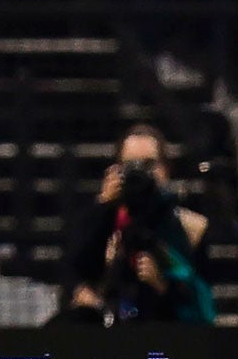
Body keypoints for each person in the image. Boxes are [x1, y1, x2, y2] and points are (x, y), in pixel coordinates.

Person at [62, 124, 214, 324]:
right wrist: (103, 206)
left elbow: (201, 304)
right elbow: (74, 273)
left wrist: (164, 286)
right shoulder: (101, 219)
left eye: (149, 164)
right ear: (117, 170)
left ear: (166, 169)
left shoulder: (190, 227)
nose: (140, 173)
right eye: (131, 165)